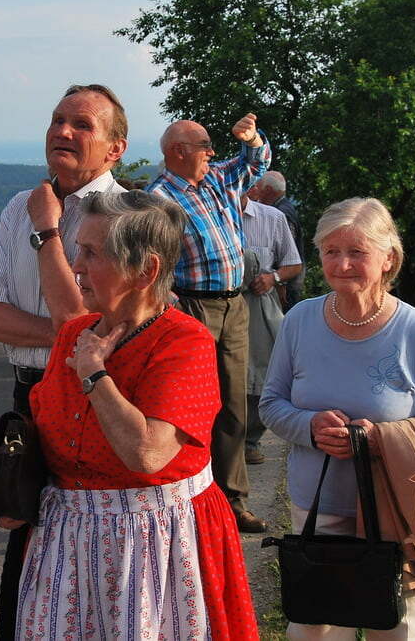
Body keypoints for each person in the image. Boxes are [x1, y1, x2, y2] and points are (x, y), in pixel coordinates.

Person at [4, 189, 259, 640]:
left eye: (92, 253)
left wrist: (94, 375)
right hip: (66, 543)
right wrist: (13, 486)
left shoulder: (185, 343)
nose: (76, 265)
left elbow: (147, 454)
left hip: (157, 548)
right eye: (78, 249)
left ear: (145, 271)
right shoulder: (75, 333)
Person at [259, 197, 415, 640]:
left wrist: (380, 439)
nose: (342, 264)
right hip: (318, 510)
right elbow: (271, 404)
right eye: (331, 251)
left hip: (397, 510)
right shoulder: (300, 320)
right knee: (317, 629)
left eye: (357, 252)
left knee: (398, 628)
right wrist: (310, 427)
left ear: (388, 259)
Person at [0, 83, 128, 639]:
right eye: (58, 120)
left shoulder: (127, 215)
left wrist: (46, 231)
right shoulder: (20, 205)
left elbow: (81, 320)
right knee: (25, 554)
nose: (63, 131)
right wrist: (64, 334)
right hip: (28, 398)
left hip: (94, 402)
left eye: (82, 125)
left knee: (92, 555)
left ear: (115, 149)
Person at [148, 112, 270, 533]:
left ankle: (233, 502)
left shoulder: (216, 179)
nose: (212, 152)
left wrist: (251, 139)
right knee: (193, 406)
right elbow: (153, 264)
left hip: (234, 305)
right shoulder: (159, 198)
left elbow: (256, 164)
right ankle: (193, 502)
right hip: (193, 308)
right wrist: (174, 309)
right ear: (178, 151)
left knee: (234, 405)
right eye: (204, 146)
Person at [239, 189, 302, 465]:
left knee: (261, 372)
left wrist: (272, 278)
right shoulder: (207, 213)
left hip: (259, 303)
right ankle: (220, 444)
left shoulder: (272, 217)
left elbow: (293, 264)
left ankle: (249, 440)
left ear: (251, 188)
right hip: (217, 302)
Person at [251, 171, 305, 310]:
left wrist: (280, 282)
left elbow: (287, 254)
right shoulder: (284, 208)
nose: (255, 190)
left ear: (268, 190)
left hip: (284, 287)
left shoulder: (282, 214)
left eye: (257, 186)